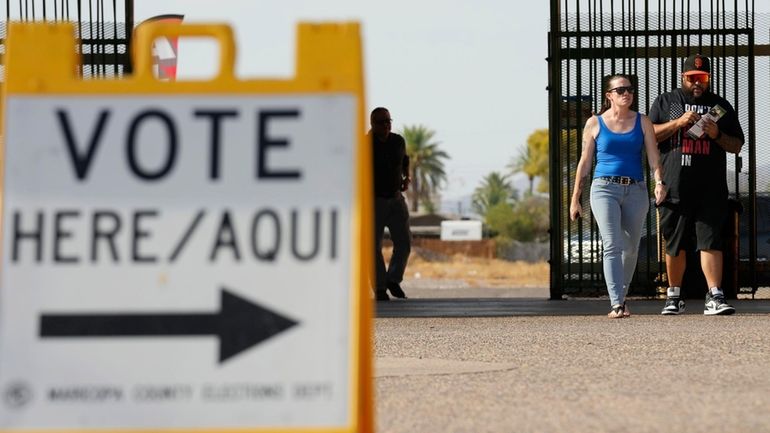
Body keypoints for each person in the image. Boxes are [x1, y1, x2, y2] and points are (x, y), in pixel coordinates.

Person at [649, 54, 745, 316]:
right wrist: (678, 123)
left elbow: (736, 145)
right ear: (683, 77)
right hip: (675, 186)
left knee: (711, 242)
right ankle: (674, 296)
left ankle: (715, 296)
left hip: (710, 188)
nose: (697, 84)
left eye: (702, 78)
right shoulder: (666, 102)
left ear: (709, 78)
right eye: (692, 78)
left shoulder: (720, 105)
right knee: (674, 243)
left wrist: (716, 134)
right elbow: (649, 135)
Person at [570, 75, 667, 318]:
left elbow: (654, 155)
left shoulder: (642, 121)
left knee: (631, 248)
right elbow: (584, 162)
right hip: (604, 188)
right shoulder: (595, 123)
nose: (626, 93)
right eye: (620, 90)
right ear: (609, 95)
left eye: (630, 90)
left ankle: (621, 298)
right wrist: (575, 198)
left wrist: (659, 182)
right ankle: (616, 304)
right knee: (612, 245)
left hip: (635, 189)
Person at [370, 107, 411, 301]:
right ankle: (379, 288)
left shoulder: (398, 141)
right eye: (382, 122)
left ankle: (393, 279)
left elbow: (404, 161)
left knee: (404, 242)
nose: (386, 125)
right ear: (372, 124)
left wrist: (407, 177)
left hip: (396, 200)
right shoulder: (364, 145)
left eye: (388, 121)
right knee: (373, 247)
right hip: (374, 201)